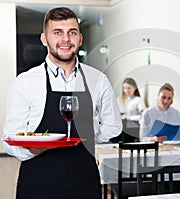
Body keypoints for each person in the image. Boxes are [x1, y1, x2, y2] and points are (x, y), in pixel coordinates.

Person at [3, 7, 122, 199]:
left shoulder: (98, 80)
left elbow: (113, 127)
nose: (65, 39)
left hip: (85, 182)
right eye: (57, 32)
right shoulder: (25, 82)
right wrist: (37, 148)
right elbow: (10, 139)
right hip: (38, 184)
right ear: (44, 39)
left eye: (72, 32)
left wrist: (87, 137)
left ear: (80, 39)